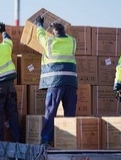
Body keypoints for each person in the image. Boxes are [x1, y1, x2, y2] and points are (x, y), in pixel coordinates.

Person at [35, 15, 78, 146]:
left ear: (53, 33)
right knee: (70, 113)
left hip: (55, 82)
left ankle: (46, 140)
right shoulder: (72, 41)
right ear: (64, 32)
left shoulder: (49, 42)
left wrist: (39, 24)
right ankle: (68, 141)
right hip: (71, 82)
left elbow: (40, 36)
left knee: (51, 111)